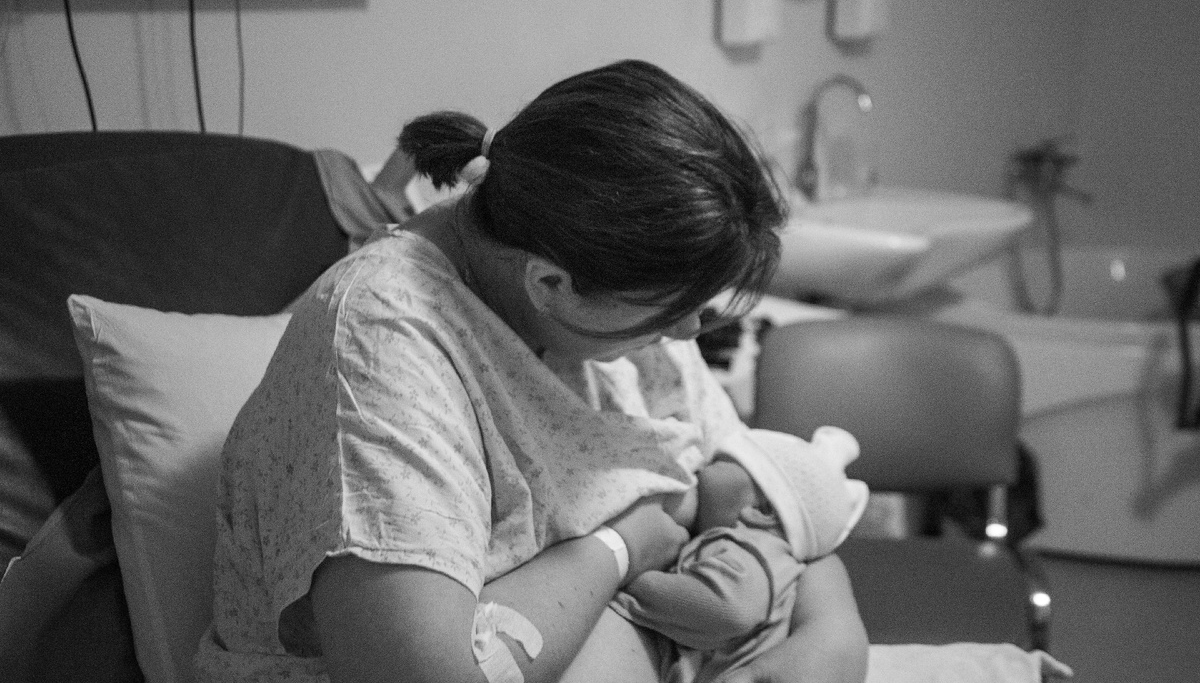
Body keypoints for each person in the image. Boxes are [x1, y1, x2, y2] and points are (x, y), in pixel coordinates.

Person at [193, 59, 869, 683]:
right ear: (550, 284)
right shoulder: (384, 347)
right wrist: (618, 548)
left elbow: (764, 493)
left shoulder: (622, 304)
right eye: (672, 313)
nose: (690, 330)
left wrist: (831, 627)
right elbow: (425, 675)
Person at [613, 426, 870, 683]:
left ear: (762, 511)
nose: (701, 468)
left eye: (720, 462)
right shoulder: (769, 557)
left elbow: (728, 609)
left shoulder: (749, 547)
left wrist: (631, 583)